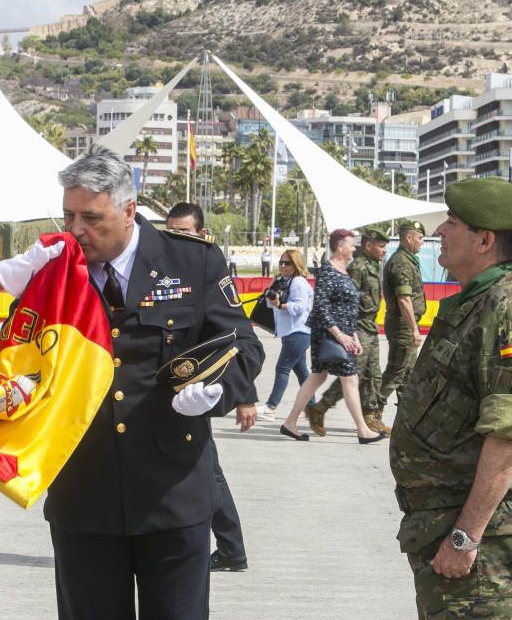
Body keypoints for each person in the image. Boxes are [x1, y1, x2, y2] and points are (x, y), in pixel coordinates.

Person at [47, 147, 263, 619]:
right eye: (68, 215)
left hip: (173, 489)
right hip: (84, 488)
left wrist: (216, 392)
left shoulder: (192, 262)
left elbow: (244, 347)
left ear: (128, 210)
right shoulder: (53, 269)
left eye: (90, 216)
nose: (76, 230)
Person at [390, 176, 512, 618]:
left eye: (452, 222)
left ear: (483, 240)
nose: (439, 230)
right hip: (440, 525)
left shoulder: (505, 313)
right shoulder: (473, 305)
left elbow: (509, 435)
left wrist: (465, 536)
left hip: (474, 536)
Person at [166, 201, 255, 574]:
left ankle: (231, 547)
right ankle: (231, 548)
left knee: (208, 471)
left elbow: (234, 338)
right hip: (169, 394)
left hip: (198, 394)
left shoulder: (206, 265)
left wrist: (243, 396)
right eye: (171, 231)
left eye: (184, 232)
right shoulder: (157, 269)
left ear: (201, 234)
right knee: (209, 470)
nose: (177, 239)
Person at [278, 229, 385, 444]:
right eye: (351, 244)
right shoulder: (327, 271)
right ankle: (363, 430)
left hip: (342, 334)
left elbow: (348, 308)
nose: (354, 248)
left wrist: (352, 335)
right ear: (340, 247)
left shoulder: (343, 271)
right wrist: (341, 336)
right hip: (328, 334)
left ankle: (290, 423)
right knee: (349, 378)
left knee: (319, 376)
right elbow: (322, 307)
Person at [309, 228, 390, 436]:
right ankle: (321, 408)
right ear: (368, 246)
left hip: (370, 326)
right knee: (353, 374)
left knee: (373, 374)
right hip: (359, 326)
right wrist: (346, 331)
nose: (384, 250)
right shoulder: (358, 267)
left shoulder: (373, 266)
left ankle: (371, 417)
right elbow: (345, 301)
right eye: (380, 246)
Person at [260, 249, 313, 421]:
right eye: (281, 262)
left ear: (296, 264)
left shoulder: (298, 282)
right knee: (302, 372)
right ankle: (312, 409)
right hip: (291, 331)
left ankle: (270, 407)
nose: (283, 266)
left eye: (287, 263)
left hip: (298, 331)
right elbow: (270, 305)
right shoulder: (285, 281)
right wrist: (272, 287)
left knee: (282, 369)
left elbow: (299, 307)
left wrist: (280, 305)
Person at [379, 220, 427, 407]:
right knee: (397, 372)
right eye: (420, 238)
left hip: (406, 324)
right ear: (408, 238)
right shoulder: (401, 263)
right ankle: (372, 411)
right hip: (403, 325)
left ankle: (405, 416)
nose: (422, 242)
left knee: (408, 374)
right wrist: (414, 330)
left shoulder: (407, 260)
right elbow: (404, 299)